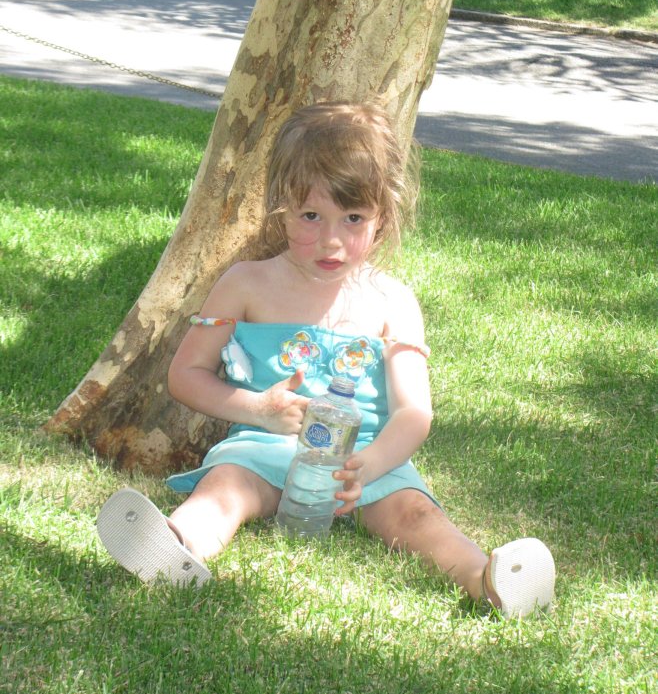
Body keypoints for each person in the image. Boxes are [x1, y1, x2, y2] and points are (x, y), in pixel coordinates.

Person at [97, 102, 555, 618]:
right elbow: (186, 375)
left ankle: (489, 581)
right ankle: (177, 546)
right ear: (282, 206)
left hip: (369, 461)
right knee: (225, 488)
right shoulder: (247, 283)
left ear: (383, 217)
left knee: (418, 516)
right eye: (311, 216)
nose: (331, 240)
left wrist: (369, 466)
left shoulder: (393, 301)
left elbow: (414, 412)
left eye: (353, 218)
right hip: (265, 448)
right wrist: (258, 409)